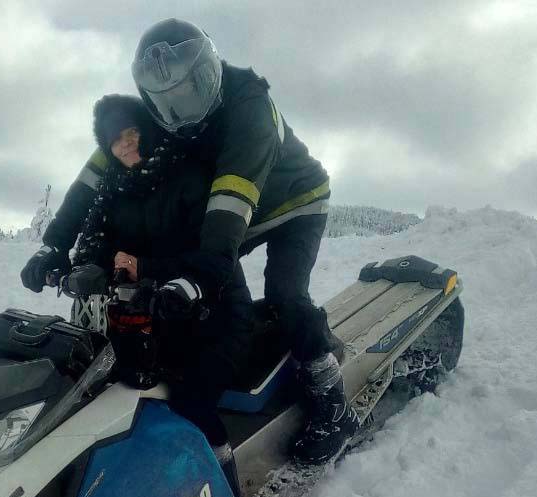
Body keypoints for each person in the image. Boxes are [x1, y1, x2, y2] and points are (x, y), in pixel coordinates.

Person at [21, 19, 356, 465]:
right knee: (206, 295)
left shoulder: (248, 109)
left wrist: (196, 277)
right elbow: (91, 179)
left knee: (285, 295)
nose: (180, 110)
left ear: (210, 70)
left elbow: (228, 208)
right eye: (164, 100)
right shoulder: (161, 118)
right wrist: (55, 244)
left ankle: (332, 403)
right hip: (233, 207)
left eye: (189, 90)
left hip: (293, 203)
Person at [63, 94, 254, 497]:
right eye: (115, 140)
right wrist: (79, 268)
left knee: (190, 401)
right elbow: (94, 238)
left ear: (146, 129)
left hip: (217, 312)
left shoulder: (187, 176)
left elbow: (213, 257)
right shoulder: (113, 188)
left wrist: (145, 265)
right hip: (158, 320)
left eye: (131, 132)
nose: (126, 145)